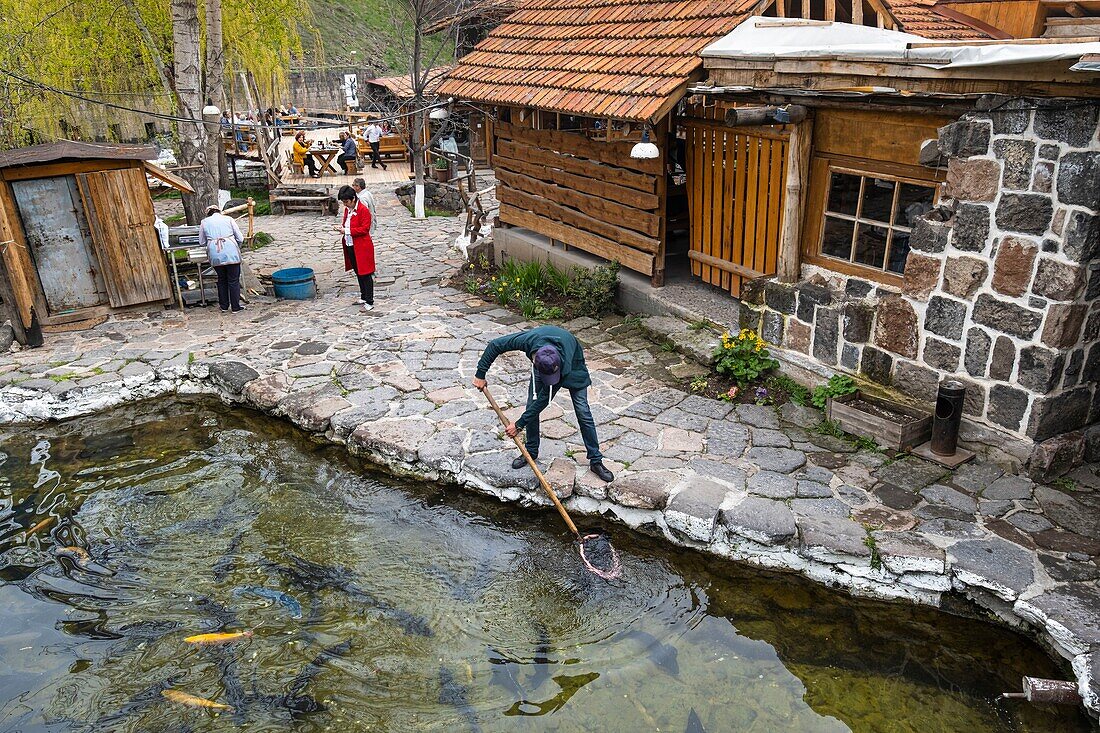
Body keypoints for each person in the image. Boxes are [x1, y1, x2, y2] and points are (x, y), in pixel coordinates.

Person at [473, 326, 615, 483]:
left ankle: (596, 461)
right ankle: (531, 451)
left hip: (573, 364)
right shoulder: (528, 341)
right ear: (534, 359)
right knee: (531, 404)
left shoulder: (564, 364)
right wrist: (480, 374)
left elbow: (543, 400)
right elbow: (495, 345)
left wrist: (519, 424)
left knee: (583, 412)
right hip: (543, 362)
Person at [198, 204, 245, 313]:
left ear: (208, 213)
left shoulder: (204, 222)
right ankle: (235, 307)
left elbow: (202, 242)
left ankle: (224, 306)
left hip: (215, 254)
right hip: (231, 252)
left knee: (222, 279)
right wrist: (237, 245)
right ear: (219, 211)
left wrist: (211, 241)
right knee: (233, 280)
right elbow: (240, 238)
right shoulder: (228, 219)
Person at [336, 185, 375, 311]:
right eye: (344, 202)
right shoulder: (348, 210)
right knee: (358, 271)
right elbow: (346, 223)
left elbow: (364, 229)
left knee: (366, 273)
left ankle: (369, 300)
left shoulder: (363, 210)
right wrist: (343, 229)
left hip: (362, 246)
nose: (345, 205)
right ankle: (363, 296)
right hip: (350, 244)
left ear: (353, 198)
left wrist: (346, 230)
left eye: (347, 202)